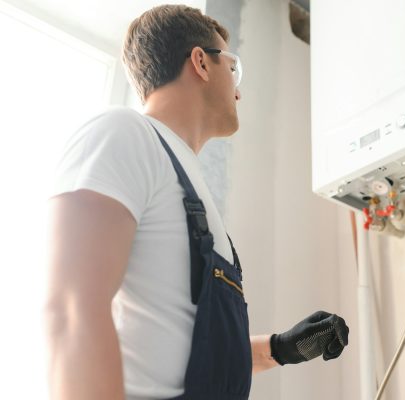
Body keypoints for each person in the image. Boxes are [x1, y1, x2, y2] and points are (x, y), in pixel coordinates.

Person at [44, 4, 349, 400]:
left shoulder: (191, 189)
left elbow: (184, 350)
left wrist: (281, 349)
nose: (238, 89)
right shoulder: (122, 134)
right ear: (201, 62)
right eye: (233, 68)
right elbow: (69, 311)